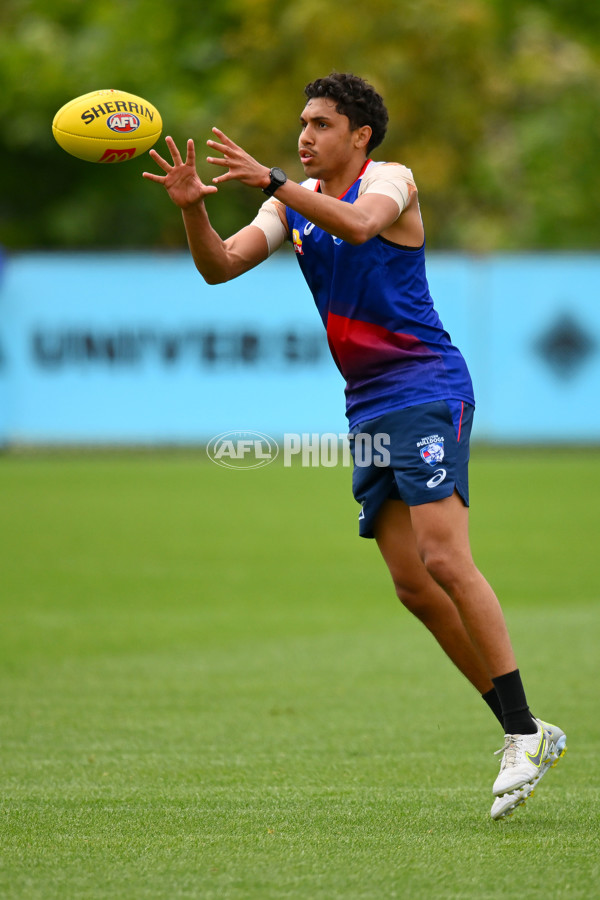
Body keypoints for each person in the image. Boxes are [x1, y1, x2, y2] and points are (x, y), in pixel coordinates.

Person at [143, 72, 566, 820]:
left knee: (444, 556)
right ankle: (524, 728)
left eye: (321, 124)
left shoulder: (391, 180)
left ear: (360, 135)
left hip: (427, 385)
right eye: (301, 124)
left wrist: (274, 178)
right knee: (412, 586)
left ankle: (525, 732)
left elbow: (363, 226)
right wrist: (192, 217)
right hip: (367, 405)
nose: (305, 135)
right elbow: (221, 267)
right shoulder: (290, 204)